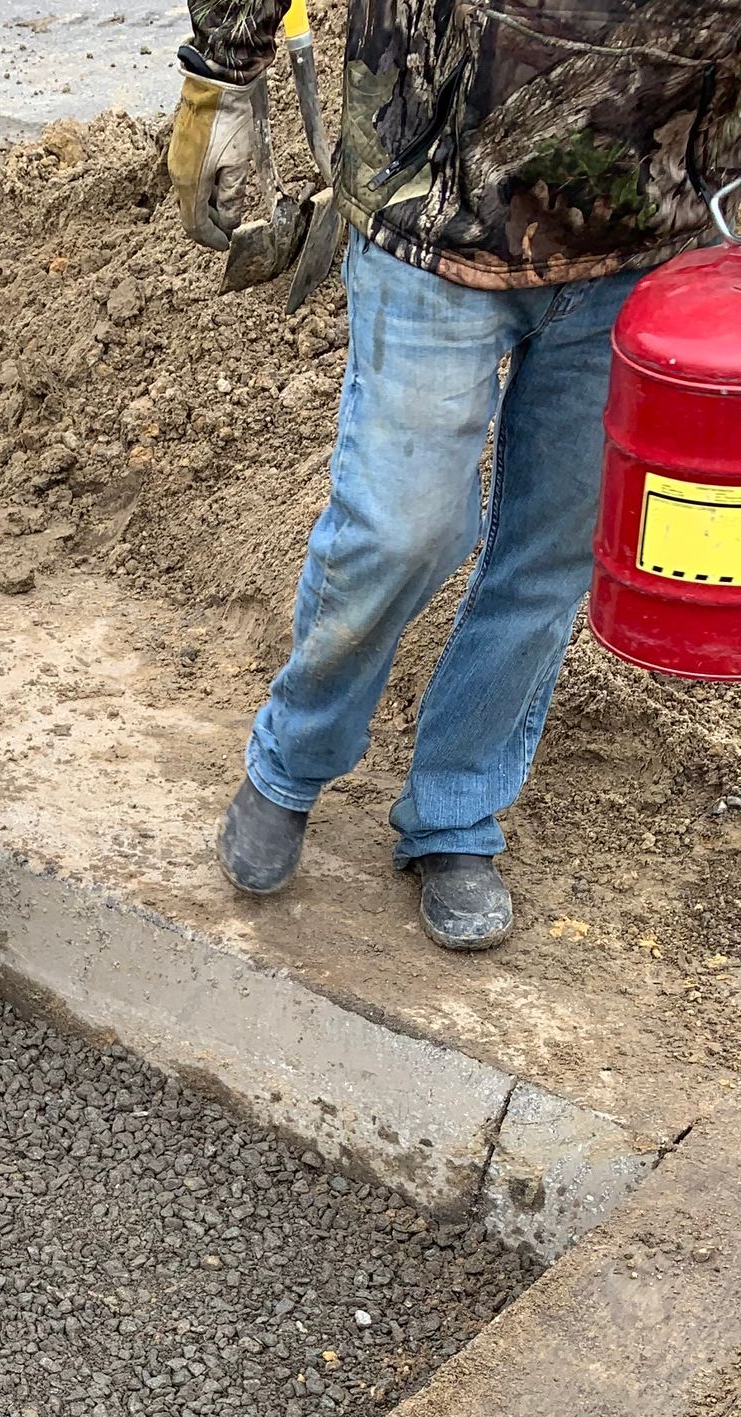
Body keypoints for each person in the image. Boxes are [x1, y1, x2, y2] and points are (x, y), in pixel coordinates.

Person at [168, 4, 741, 951]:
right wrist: (227, 68)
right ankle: (293, 761)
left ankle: (456, 810)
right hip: (432, 190)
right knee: (400, 529)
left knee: (552, 551)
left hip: (661, 221)